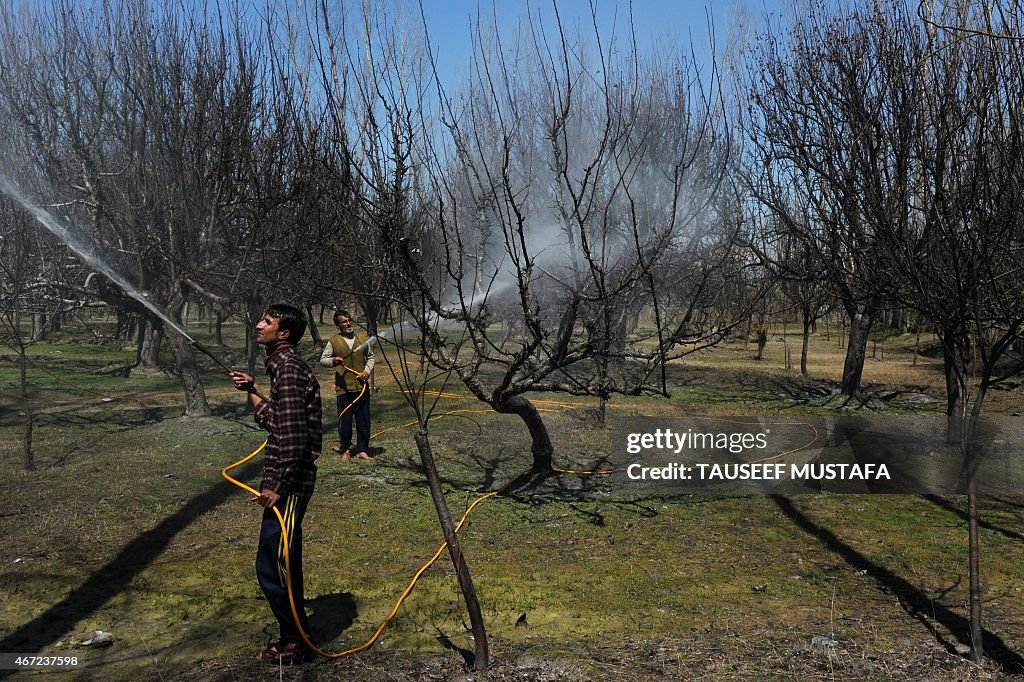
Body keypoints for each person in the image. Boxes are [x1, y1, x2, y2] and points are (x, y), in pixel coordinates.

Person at [229, 304, 322, 665]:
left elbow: (296, 438)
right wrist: (252, 390)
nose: (258, 325)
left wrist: (278, 486)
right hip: (286, 481)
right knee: (278, 562)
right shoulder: (281, 366)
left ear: (283, 333)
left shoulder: (288, 368)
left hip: (291, 485)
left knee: (274, 565)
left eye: (266, 322)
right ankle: (292, 637)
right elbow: (277, 420)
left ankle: (297, 643)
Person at [320, 309, 375, 461]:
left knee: (363, 420)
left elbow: (371, 357)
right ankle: (345, 450)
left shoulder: (362, 338)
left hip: (361, 386)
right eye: (344, 321)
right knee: (345, 420)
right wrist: (333, 361)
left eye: (349, 320)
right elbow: (323, 360)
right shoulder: (334, 341)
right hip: (343, 388)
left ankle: (362, 450)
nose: (348, 323)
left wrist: (366, 372)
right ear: (338, 325)